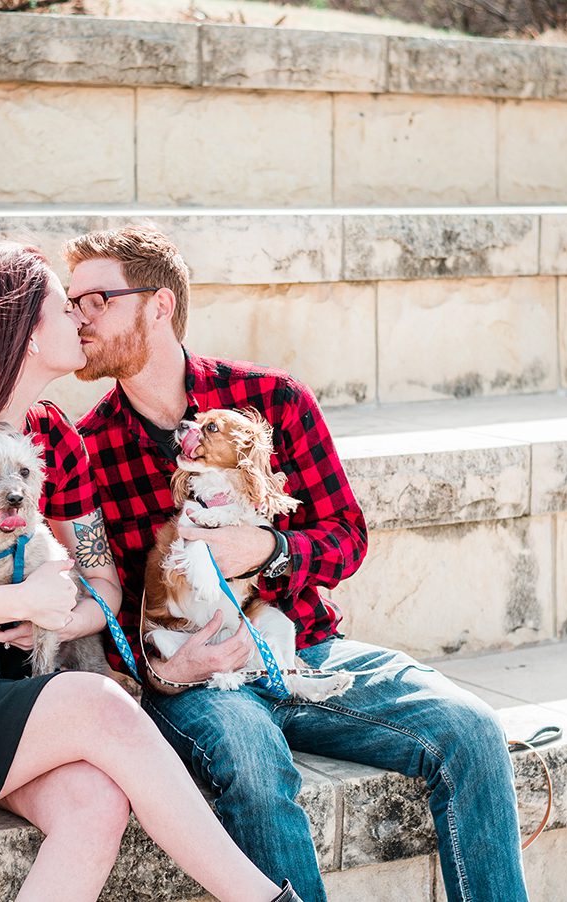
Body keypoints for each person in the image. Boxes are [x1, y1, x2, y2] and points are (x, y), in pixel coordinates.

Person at [0, 241, 302, 902]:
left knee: (96, 804)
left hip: (15, 687)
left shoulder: (57, 437)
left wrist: (57, 613)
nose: (79, 318)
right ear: (22, 330)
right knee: (98, 702)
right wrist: (17, 599)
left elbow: (101, 583)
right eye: (61, 307)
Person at [65, 226, 531, 902]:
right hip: (200, 681)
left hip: (307, 648)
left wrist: (270, 551)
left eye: (97, 299)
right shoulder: (89, 451)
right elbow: (104, 607)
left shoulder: (273, 401)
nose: (79, 317)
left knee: (471, 730)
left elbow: (347, 535)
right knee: (254, 764)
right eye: (72, 301)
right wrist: (164, 673)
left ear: (159, 305)